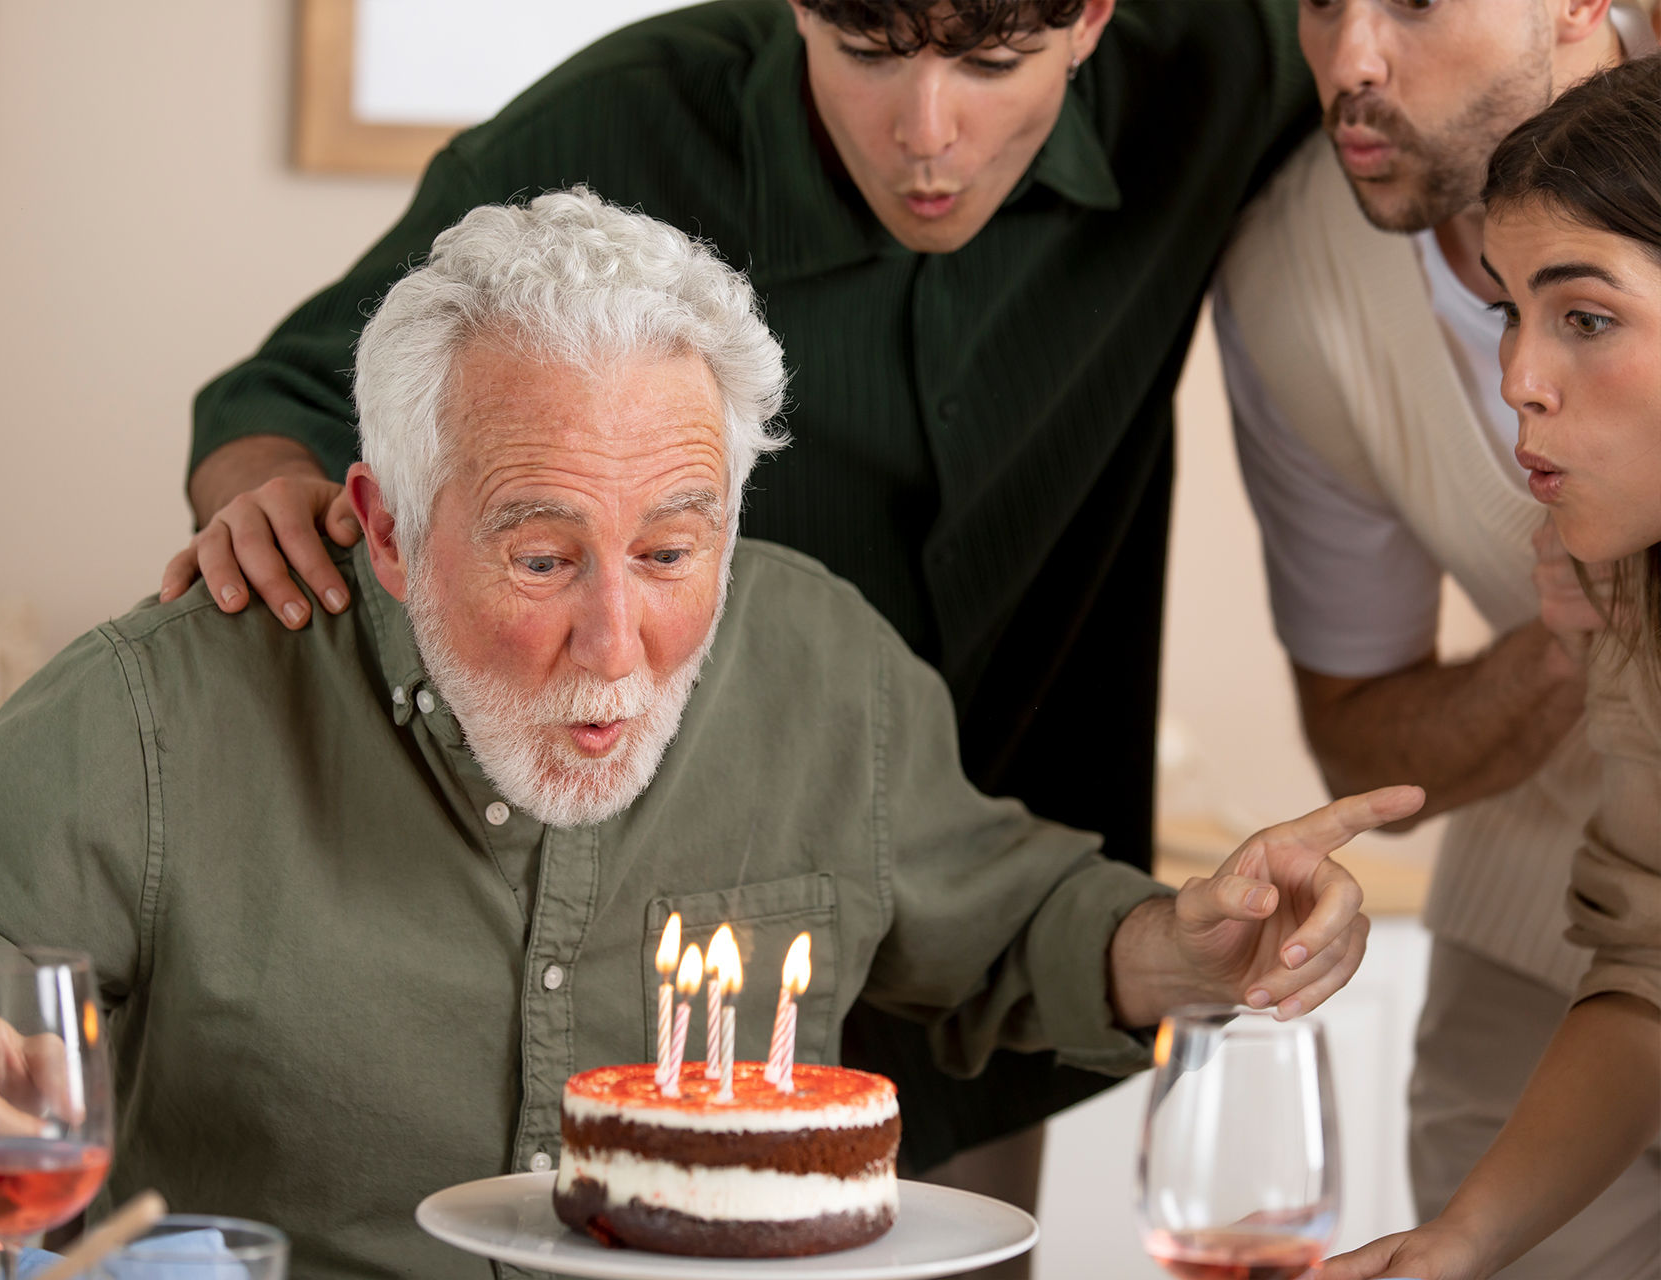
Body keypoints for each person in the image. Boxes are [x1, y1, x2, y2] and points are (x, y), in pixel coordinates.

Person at [0, 192, 1416, 1278]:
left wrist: (1186, 944)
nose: (618, 641)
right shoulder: (166, 705)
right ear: (386, 531)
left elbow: (1017, 930)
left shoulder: (820, 658)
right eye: (542, 556)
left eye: (675, 550)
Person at [161, 0, 1320, 1187]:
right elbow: (286, 397)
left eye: (991, 63)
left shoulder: (1223, 68)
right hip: (660, 923)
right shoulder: (619, 120)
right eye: (871, 55)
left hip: (1011, 930)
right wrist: (266, 494)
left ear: (1089, 20)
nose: (930, 131)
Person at [1211, 0, 1659, 1270]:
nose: (1348, 60)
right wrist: (1460, 1240)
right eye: (1318, 3)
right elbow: (1648, 950)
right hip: (1547, 957)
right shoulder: (1299, 280)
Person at [1328, 56, 1661, 1280]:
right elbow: (1648, 979)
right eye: (1508, 313)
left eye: (1584, 316)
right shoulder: (1625, 601)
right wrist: (1460, 1242)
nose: (1520, 377)